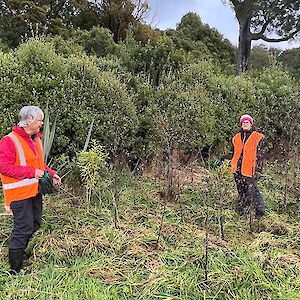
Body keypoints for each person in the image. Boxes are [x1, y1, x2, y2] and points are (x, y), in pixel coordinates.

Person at [0, 106, 61, 274]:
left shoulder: (35, 139)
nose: (42, 122)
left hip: (34, 191)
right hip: (18, 194)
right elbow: (3, 167)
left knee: (34, 223)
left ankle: (19, 253)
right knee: (23, 227)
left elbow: (38, 163)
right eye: (39, 119)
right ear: (28, 121)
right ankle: (15, 269)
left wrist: (51, 173)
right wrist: (32, 173)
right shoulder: (9, 141)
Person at [230, 114, 265, 219]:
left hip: (251, 169)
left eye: (247, 122)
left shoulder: (258, 137)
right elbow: (232, 152)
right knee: (241, 190)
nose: (245, 124)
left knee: (253, 191)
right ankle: (244, 211)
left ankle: (260, 212)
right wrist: (223, 159)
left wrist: (258, 170)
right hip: (237, 169)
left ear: (251, 124)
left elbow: (261, 155)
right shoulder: (236, 138)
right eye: (243, 122)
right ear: (241, 124)